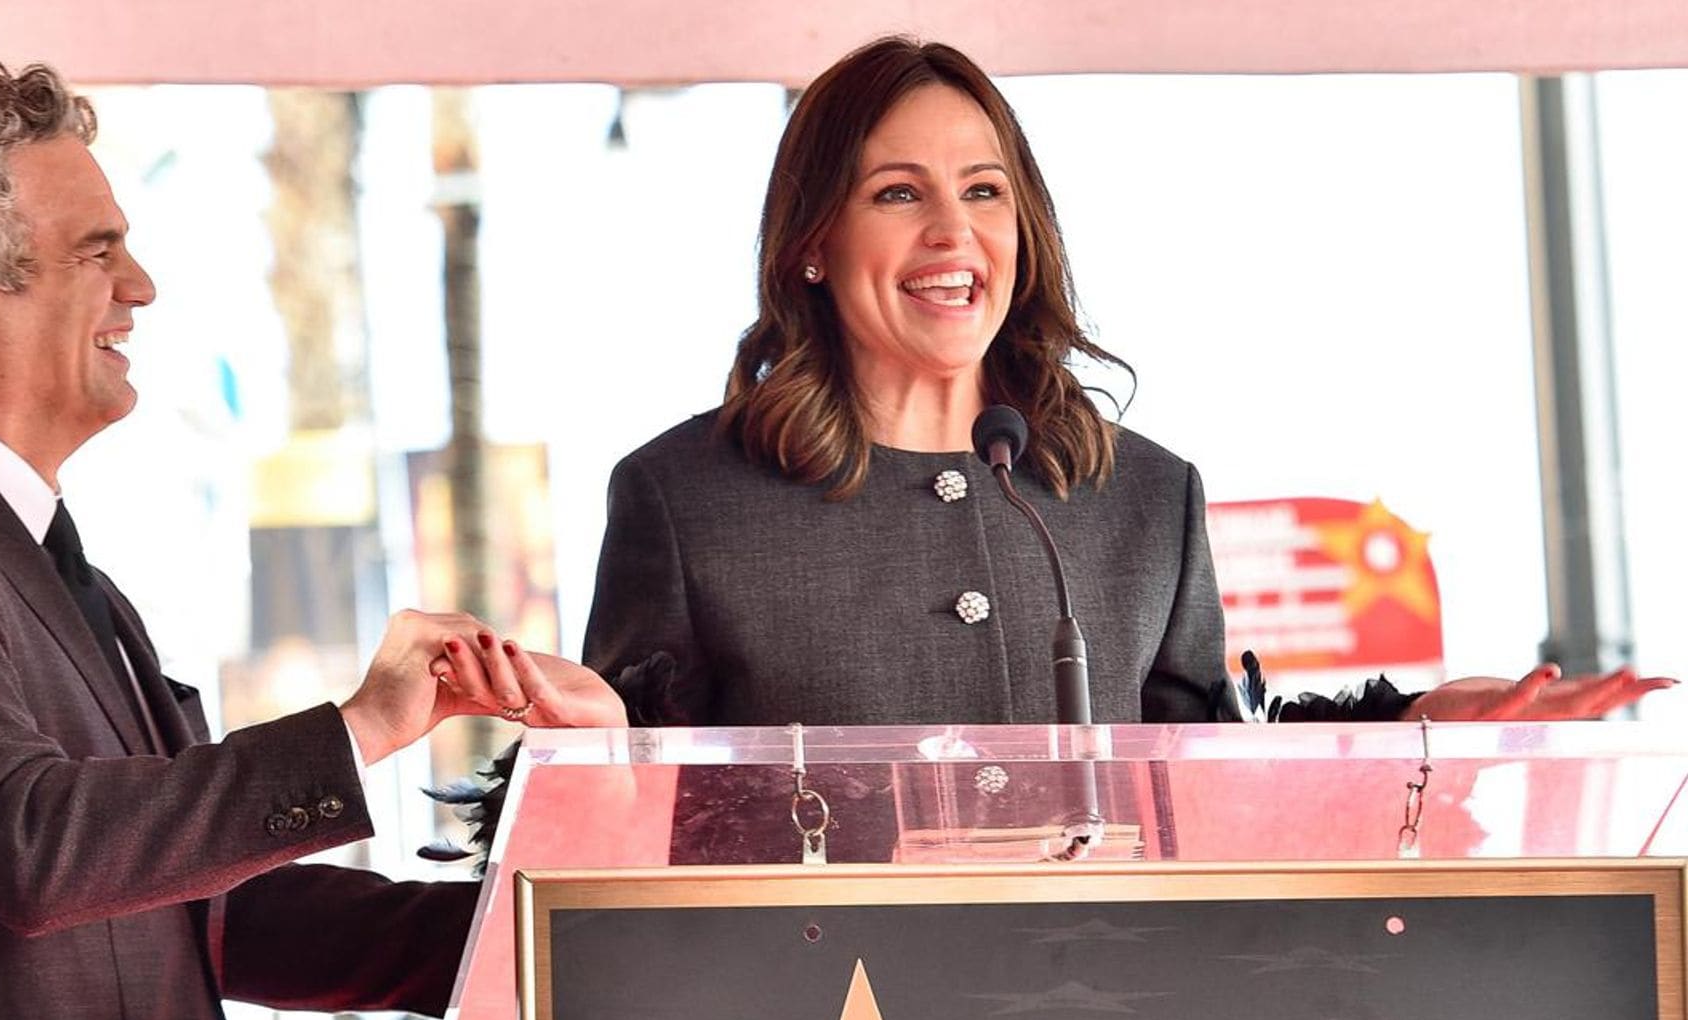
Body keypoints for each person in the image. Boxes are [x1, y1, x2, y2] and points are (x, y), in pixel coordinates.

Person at [0, 60, 620, 1020]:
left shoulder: (30, 552)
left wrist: (573, 935)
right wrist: (361, 731)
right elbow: (30, 845)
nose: (140, 288)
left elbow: (212, 918)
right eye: (98, 251)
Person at [577, 36, 1672, 728]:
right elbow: (614, 822)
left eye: (987, 191)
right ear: (813, 238)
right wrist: (573, 750)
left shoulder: (1143, 498)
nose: (956, 232)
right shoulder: (686, 501)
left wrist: (1416, 723)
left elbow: (1206, 779)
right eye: (900, 194)